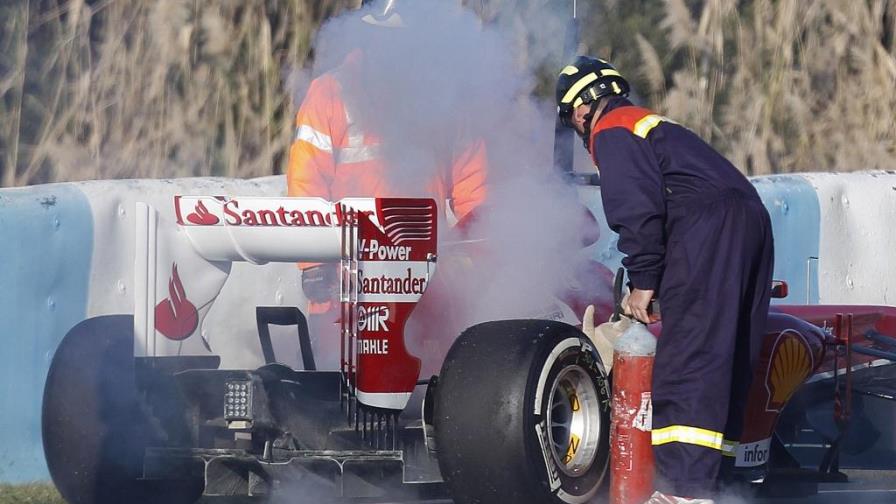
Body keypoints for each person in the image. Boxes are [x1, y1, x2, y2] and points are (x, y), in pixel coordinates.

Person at [557, 56, 774, 503]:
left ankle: (683, 491)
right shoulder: (648, 124)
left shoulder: (613, 130)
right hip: (747, 218)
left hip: (707, 226)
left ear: (580, 110)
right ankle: (715, 484)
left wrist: (644, 280)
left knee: (690, 355)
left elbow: (637, 209)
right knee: (723, 354)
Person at [286, 0, 488, 369]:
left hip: (426, 283)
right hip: (346, 283)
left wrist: (470, 263)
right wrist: (312, 262)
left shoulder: (448, 101)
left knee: (428, 392)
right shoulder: (330, 93)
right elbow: (306, 184)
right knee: (341, 394)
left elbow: (474, 194)